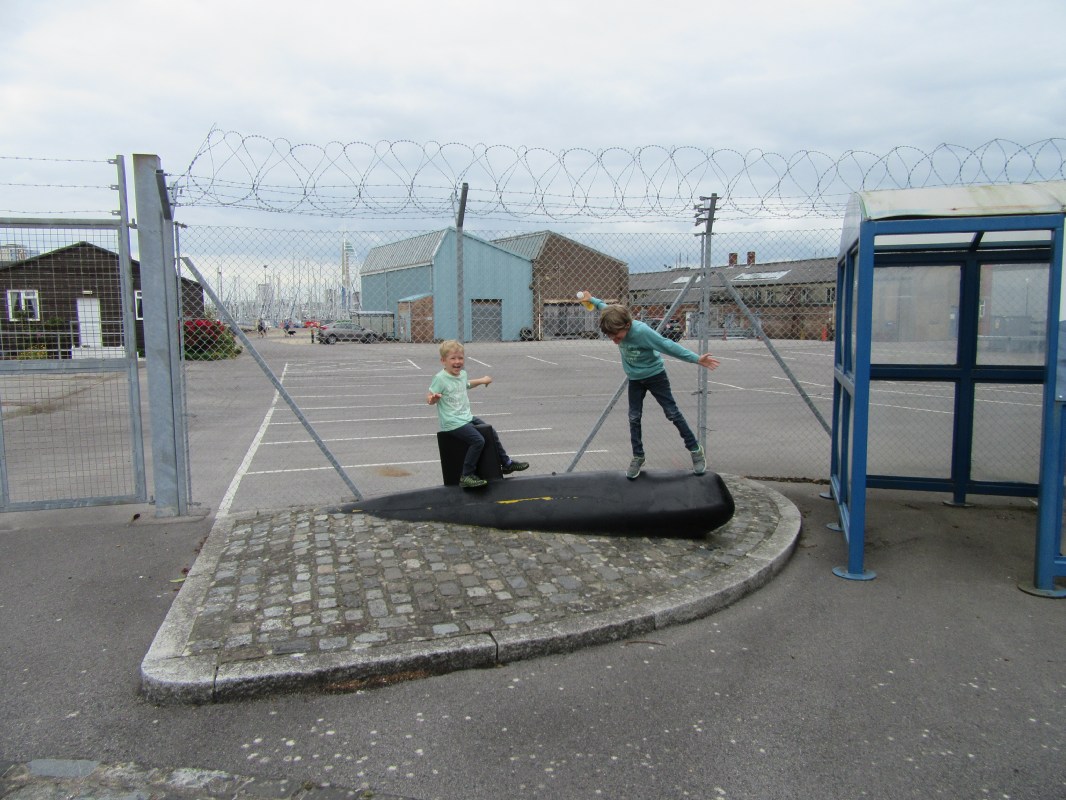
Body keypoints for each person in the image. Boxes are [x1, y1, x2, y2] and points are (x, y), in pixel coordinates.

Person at [577, 291, 721, 480]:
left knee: (672, 413)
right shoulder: (615, 320)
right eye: (611, 337)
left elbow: (668, 345)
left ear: (627, 325)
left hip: (655, 376)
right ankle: (638, 456)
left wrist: (696, 358)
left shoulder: (642, 332)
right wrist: (592, 300)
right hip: (635, 379)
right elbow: (604, 307)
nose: (615, 341)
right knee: (634, 417)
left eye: (617, 337)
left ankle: (695, 449)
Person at [427, 340, 529, 489]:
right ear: (443, 361)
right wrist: (433, 399)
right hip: (452, 422)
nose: (457, 361)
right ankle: (466, 475)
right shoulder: (440, 378)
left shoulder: (462, 374)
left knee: (490, 431)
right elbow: (429, 397)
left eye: (460, 358)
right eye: (453, 358)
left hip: (466, 418)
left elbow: (467, 384)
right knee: (478, 440)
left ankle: (506, 464)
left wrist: (482, 380)